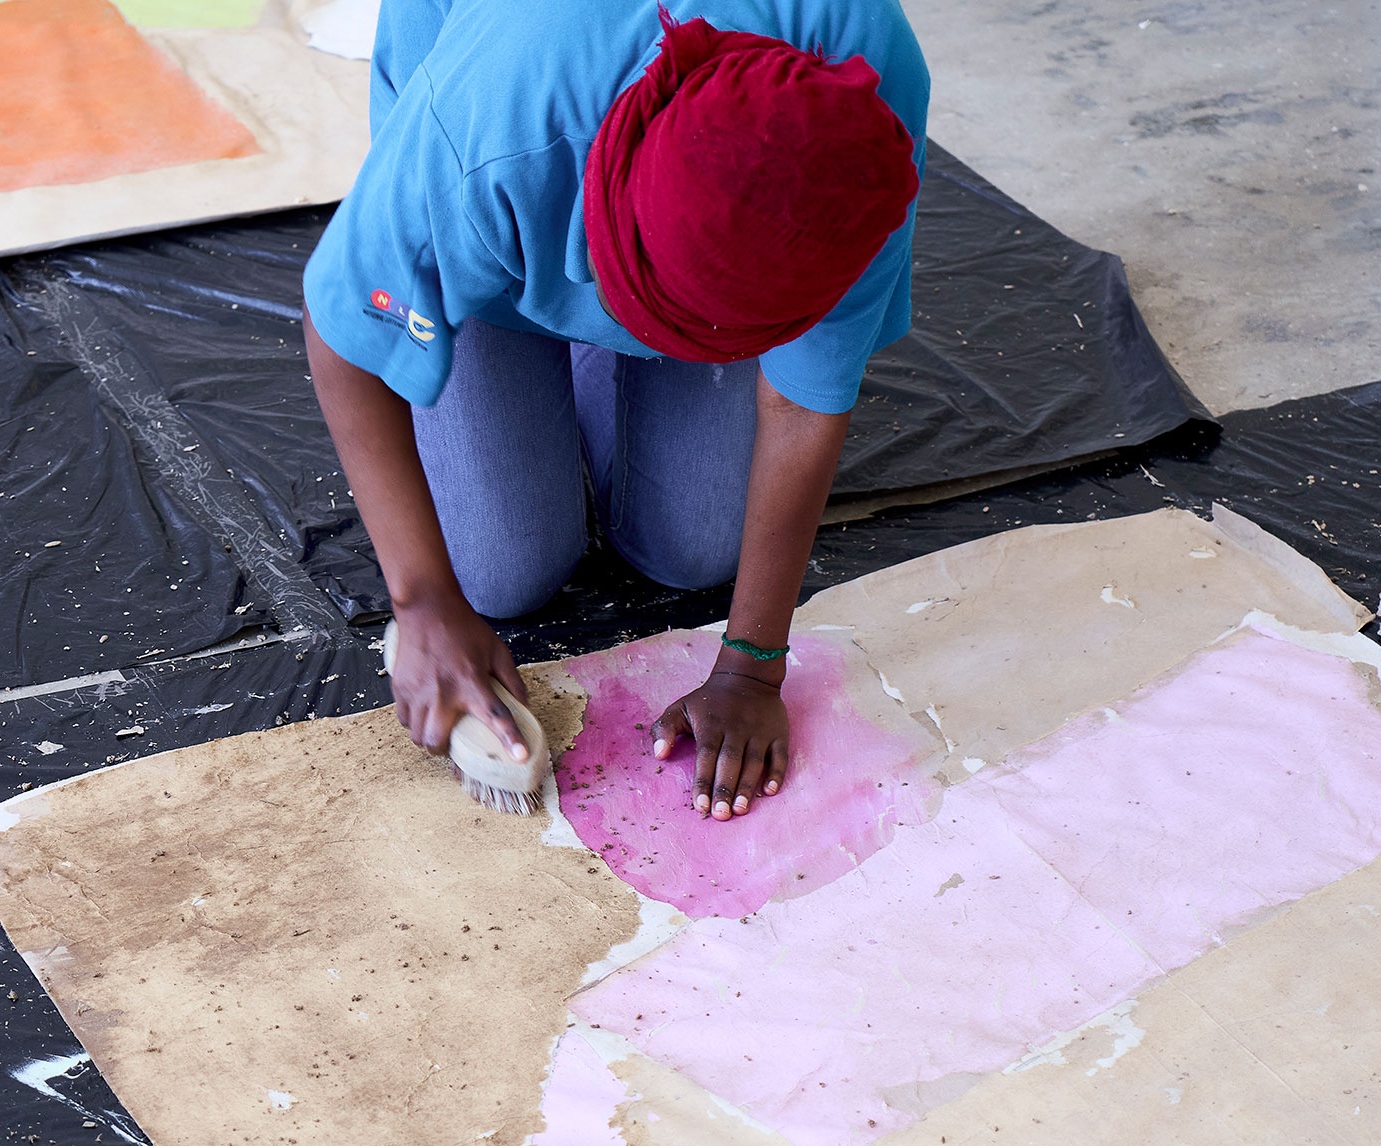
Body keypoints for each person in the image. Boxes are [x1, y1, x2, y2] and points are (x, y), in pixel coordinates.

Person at [302, 0, 927, 820]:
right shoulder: (490, 127)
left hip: (653, 211)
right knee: (501, 573)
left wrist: (751, 664)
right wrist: (421, 602)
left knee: (696, 550)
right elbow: (343, 330)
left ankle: (648, 339)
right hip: (509, 158)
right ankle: (538, 305)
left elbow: (802, 403)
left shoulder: (860, 119)